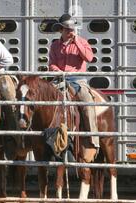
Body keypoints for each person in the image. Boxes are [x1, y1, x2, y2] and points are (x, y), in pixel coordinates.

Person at [49, 14, 98, 148]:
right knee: (43, 100)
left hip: (78, 80)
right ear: (61, 30)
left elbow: (89, 58)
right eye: (67, 29)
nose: (70, 31)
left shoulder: (82, 42)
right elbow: (51, 63)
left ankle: (93, 140)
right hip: (59, 79)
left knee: (87, 104)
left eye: (72, 29)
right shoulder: (54, 45)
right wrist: (57, 71)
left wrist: (76, 42)